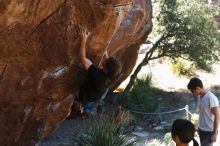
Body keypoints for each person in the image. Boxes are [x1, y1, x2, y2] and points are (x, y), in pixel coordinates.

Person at [77, 27, 122, 113]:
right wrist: (106, 54)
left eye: (104, 63)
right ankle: (85, 107)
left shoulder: (98, 76)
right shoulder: (116, 73)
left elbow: (82, 58)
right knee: (91, 101)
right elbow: (111, 65)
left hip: (88, 95)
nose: (103, 60)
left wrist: (84, 40)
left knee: (83, 102)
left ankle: (80, 106)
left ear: (105, 71)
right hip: (98, 95)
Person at [187, 77, 220, 146]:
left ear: (198, 88)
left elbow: (217, 116)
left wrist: (214, 134)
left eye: (193, 91)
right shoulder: (199, 96)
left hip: (209, 131)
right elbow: (203, 113)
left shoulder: (211, 98)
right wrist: (199, 128)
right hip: (201, 130)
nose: (192, 93)